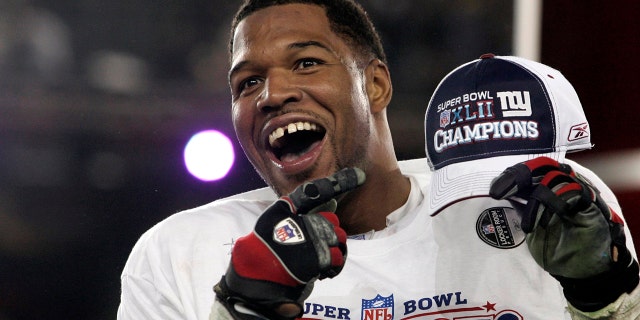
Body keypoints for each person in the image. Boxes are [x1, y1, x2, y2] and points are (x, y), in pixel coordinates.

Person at [117, 1, 640, 319]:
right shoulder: (179, 253)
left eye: (306, 62)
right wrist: (237, 315)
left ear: (376, 84)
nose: (271, 94)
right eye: (246, 82)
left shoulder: (533, 209)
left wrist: (605, 300)